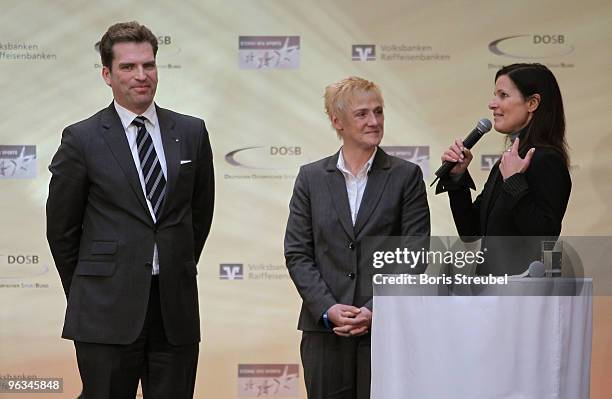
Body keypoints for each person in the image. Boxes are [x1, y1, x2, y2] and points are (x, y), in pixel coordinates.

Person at [46, 21, 214, 398]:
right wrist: (90, 290)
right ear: (107, 74)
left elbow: (198, 216)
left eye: (149, 65)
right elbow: (61, 229)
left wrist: (174, 264)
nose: (142, 76)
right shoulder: (81, 139)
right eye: (128, 67)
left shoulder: (191, 132)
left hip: (175, 310)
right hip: (104, 311)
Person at [284, 76, 430, 398]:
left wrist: (375, 309)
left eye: (378, 112)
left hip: (386, 331)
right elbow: (297, 253)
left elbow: (415, 254)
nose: (374, 121)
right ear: (337, 121)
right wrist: (327, 307)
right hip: (324, 332)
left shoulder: (407, 176)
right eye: (362, 114)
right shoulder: (310, 178)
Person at [436, 63, 571, 275]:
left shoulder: (546, 159)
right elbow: (471, 232)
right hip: (491, 292)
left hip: (520, 296)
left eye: (503, 95)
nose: (492, 104)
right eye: (494, 95)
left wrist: (514, 181)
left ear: (532, 103)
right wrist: (457, 177)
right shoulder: (508, 162)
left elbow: (544, 236)